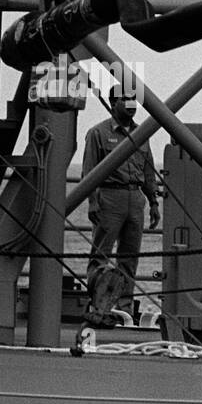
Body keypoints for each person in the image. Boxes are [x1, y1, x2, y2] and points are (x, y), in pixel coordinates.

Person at [83, 85, 159, 326]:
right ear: (113, 103)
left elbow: (148, 171)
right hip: (109, 196)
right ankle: (98, 306)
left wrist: (154, 202)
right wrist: (93, 201)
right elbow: (89, 171)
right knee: (101, 255)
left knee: (130, 257)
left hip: (135, 198)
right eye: (125, 100)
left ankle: (124, 308)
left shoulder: (142, 134)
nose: (131, 105)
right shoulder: (98, 133)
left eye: (133, 100)